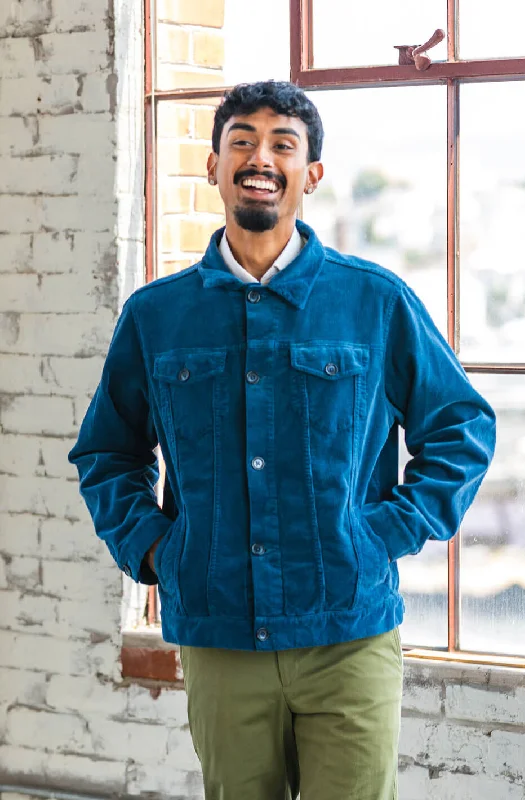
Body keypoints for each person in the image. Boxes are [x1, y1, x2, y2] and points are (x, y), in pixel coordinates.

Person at [69, 80, 496, 800]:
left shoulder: (375, 301)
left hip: (347, 632)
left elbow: (461, 427)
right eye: (241, 140)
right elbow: (107, 452)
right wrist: (154, 547)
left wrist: (384, 531)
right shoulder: (156, 316)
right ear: (212, 166)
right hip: (218, 630)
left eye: (281, 144)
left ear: (311, 175)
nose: (259, 157)